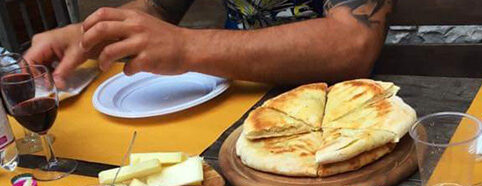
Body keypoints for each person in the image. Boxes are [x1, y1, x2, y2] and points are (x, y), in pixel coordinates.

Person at [25, 0, 392, 88]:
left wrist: (187, 48)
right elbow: (156, 6)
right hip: (234, 103)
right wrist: (93, 32)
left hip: (345, 104)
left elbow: (353, 43)